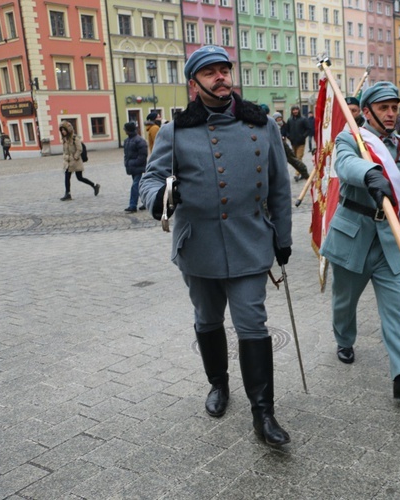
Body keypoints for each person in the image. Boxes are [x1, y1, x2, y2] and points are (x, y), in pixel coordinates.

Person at [139, 45, 293, 446]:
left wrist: (283, 239)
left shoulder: (262, 125)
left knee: (252, 324)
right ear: (194, 84)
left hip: (250, 243)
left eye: (225, 69)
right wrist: (159, 199)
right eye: (210, 72)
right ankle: (218, 384)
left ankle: (264, 414)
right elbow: (150, 180)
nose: (221, 76)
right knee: (207, 319)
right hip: (199, 245)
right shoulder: (175, 131)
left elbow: (279, 187)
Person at [320, 81, 400, 402]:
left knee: (399, 309)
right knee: (345, 303)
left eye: (395, 107)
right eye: (384, 108)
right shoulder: (351, 138)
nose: (391, 113)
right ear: (367, 112)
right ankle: (344, 338)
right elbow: (345, 164)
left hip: (389, 240)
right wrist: (370, 173)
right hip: (353, 235)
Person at [59, 121, 99, 201]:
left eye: (64, 130)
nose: (63, 131)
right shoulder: (64, 139)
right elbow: (65, 150)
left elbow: (79, 149)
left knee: (80, 178)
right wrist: (65, 157)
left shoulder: (75, 138)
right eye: (62, 130)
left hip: (75, 161)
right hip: (68, 161)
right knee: (67, 177)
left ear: (68, 130)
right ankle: (68, 193)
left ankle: (94, 185)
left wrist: (76, 156)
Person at [273, 111, 311, 181]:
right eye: (277, 118)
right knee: (290, 159)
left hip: (297, 142)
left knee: (297, 158)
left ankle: (299, 174)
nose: (279, 119)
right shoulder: (273, 125)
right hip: (291, 143)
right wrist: (290, 137)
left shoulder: (284, 124)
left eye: (279, 117)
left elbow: (287, 131)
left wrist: (303, 136)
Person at [122, 122, 148, 213]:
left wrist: (134, 163)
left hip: (138, 167)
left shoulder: (139, 140)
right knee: (138, 186)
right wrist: (126, 162)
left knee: (135, 185)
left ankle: (132, 205)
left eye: (125, 129)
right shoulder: (127, 141)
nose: (124, 130)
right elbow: (126, 154)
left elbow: (143, 155)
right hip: (131, 167)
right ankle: (146, 202)